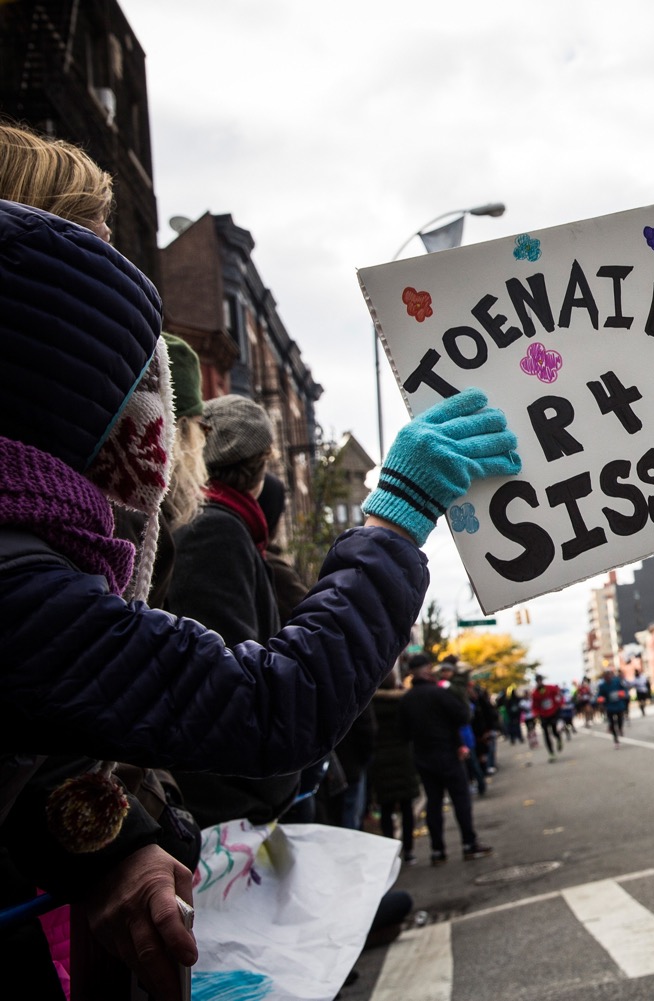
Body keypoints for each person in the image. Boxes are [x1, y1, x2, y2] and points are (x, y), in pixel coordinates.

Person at [0, 197, 521, 995]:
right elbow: (267, 704)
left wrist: (110, 846)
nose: (170, 433)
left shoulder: (46, 552)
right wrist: (396, 516)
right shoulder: (25, 572)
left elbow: (49, 737)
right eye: (146, 388)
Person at [399, 654, 493, 865]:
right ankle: (469, 844)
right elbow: (463, 716)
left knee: (434, 803)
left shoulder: (407, 699)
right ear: (427, 670)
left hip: (423, 757)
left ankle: (437, 850)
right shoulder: (439, 693)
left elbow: (403, 733)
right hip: (448, 753)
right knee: (461, 800)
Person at [370, 670, 421, 865]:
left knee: (386, 806)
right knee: (407, 806)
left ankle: (391, 851)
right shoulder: (402, 702)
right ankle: (409, 850)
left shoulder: (370, 704)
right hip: (403, 757)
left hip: (380, 760)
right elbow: (411, 729)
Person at [532, 676, 566, 760]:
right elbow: (534, 706)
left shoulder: (551, 688)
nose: (539, 682)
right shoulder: (535, 694)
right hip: (543, 716)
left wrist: (561, 704)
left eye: (540, 680)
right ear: (536, 682)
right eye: (537, 681)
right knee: (546, 734)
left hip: (553, 713)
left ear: (542, 680)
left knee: (554, 731)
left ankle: (559, 739)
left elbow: (559, 696)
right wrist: (536, 714)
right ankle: (551, 753)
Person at [596, 668, 632, 747]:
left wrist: (623, 694)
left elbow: (624, 689)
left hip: (618, 704)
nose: (607, 677)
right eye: (605, 676)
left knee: (620, 720)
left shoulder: (617, 682)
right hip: (609, 707)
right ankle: (616, 740)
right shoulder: (602, 686)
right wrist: (600, 699)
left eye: (608, 675)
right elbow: (599, 695)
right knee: (612, 723)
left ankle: (620, 729)